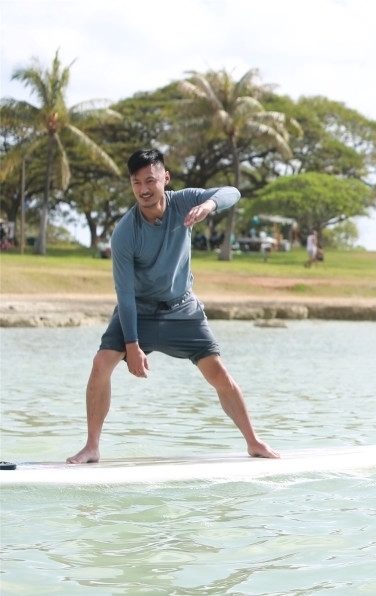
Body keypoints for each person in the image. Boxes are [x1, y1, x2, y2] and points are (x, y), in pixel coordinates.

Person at [67, 149, 279, 464]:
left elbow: (231, 192)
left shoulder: (184, 201)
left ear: (165, 178)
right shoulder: (125, 232)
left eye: (150, 180)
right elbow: (124, 293)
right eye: (136, 182)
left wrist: (208, 205)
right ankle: (92, 447)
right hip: (139, 308)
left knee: (218, 372)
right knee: (101, 364)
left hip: (182, 309)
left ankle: (254, 441)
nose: (144, 189)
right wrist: (132, 345)